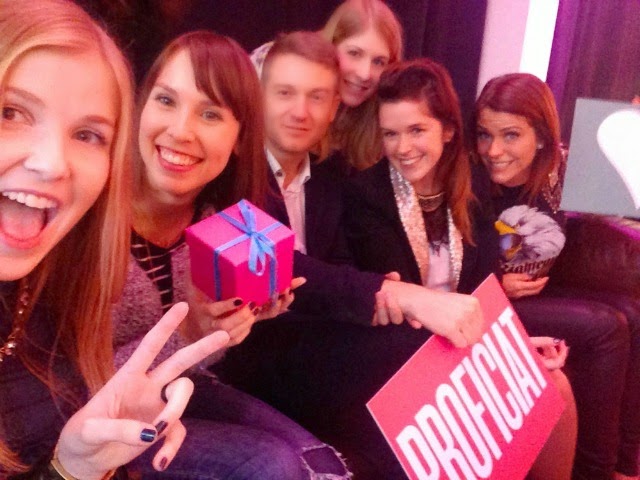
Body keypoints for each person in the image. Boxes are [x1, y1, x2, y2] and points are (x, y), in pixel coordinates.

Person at [0, 0, 230, 477]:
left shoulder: (61, 272)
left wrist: (75, 468)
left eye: (87, 135)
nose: (52, 164)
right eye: (11, 112)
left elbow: (82, 401)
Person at [112, 30, 352, 479]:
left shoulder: (220, 222)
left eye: (209, 113)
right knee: (273, 467)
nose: (180, 130)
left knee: (323, 466)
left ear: (242, 136)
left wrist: (239, 318)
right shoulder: (94, 215)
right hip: (97, 420)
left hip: (182, 390)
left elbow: (200, 358)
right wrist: (190, 333)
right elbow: (65, 381)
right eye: (165, 100)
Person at [343, 59, 577, 479]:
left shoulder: (472, 185)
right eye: (391, 134)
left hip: (467, 334)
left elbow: (485, 286)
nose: (402, 147)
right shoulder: (368, 195)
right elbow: (402, 307)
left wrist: (512, 344)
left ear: (448, 130)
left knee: (553, 382)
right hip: (407, 349)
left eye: (417, 130)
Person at [472, 72, 639, 480]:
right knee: (606, 327)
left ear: (543, 138)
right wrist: (493, 281)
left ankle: (626, 463)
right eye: (484, 135)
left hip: (541, 290)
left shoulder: (561, 167)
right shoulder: (469, 181)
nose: (493, 150)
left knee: (634, 314)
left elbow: (626, 202)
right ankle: (596, 472)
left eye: (511, 135)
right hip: (489, 302)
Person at [250, 0, 403, 174]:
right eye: (354, 53)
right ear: (331, 43)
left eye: (378, 62)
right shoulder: (279, 62)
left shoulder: (381, 116)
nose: (365, 73)